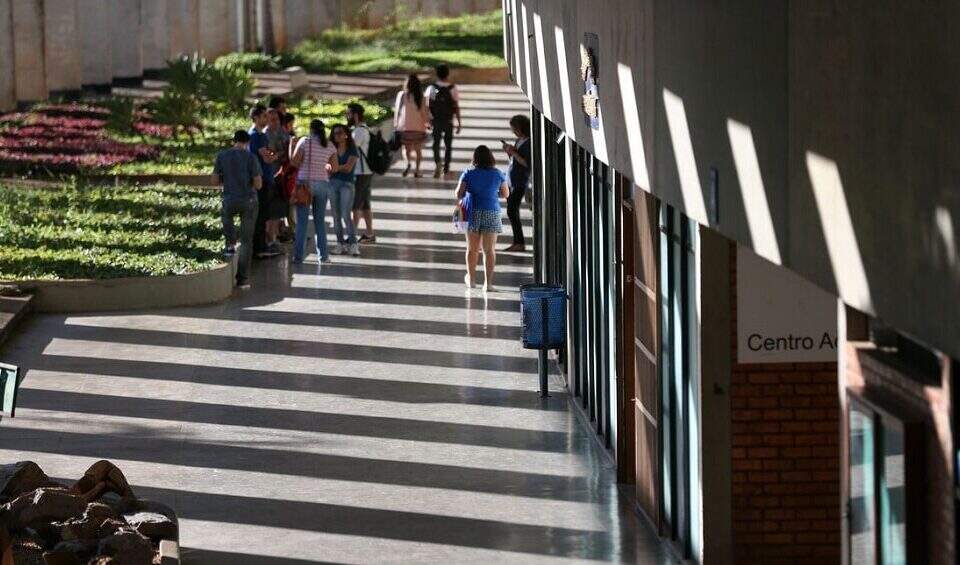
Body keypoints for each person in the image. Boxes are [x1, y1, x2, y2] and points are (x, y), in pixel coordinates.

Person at [213, 130, 262, 288]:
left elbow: (214, 180)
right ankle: (242, 279)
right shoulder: (251, 157)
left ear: (233, 141)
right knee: (247, 241)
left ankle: (230, 243)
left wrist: (227, 180)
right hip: (248, 200)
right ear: (247, 142)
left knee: (227, 217)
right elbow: (258, 184)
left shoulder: (222, 156)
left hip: (229, 198)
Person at [456, 145, 509, 291]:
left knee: (472, 249)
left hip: (472, 213)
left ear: (475, 159)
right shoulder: (498, 173)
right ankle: (488, 284)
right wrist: (492, 194)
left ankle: (472, 280)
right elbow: (505, 194)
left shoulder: (468, 173)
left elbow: (458, 193)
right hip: (491, 212)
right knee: (489, 250)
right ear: (491, 158)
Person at [290, 119, 338, 264]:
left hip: (305, 185)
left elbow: (294, 162)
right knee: (320, 222)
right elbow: (335, 168)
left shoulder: (305, 142)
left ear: (311, 129)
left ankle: (298, 257)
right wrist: (325, 166)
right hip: (323, 185)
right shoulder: (329, 145)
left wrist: (291, 147)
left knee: (302, 223)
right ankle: (323, 256)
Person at [248, 104, 280, 258]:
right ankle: (259, 248)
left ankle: (262, 245)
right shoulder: (255, 136)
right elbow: (268, 157)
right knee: (260, 215)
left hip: (266, 178)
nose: (267, 119)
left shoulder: (263, 135)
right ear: (255, 118)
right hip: (260, 180)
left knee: (264, 214)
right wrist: (273, 156)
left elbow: (270, 153)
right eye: (264, 116)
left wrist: (272, 155)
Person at [328, 124, 361, 257]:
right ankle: (340, 243)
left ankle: (353, 244)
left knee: (346, 215)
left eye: (340, 133)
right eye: (335, 133)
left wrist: (335, 168)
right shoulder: (331, 149)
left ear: (346, 134)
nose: (338, 136)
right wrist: (335, 168)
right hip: (332, 184)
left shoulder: (352, 150)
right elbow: (328, 166)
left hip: (347, 184)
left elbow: (348, 168)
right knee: (335, 216)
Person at [425, 64, 462, 179]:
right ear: (447, 74)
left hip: (436, 120)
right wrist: (459, 122)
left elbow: (427, 106)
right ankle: (446, 167)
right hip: (448, 121)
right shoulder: (453, 88)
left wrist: (428, 120)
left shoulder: (431, 88)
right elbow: (456, 106)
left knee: (435, 143)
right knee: (448, 145)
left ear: (437, 74)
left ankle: (437, 164)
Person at [502, 114, 531, 252]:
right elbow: (515, 159)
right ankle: (517, 242)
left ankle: (519, 242)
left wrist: (513, 152)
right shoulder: (520, 140)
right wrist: (510, 152)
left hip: (521, 181)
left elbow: (526, 162)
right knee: (512, 210)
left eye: (514, 128)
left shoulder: (528, 143)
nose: (513, 131)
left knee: (512, 210)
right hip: (512, 180)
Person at [347, 103, 376, 243]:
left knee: (356, 204)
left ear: (355, 115)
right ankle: (370, 234)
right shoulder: (361, 129)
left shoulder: (359, 131)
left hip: (361, 172)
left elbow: (350, 147)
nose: (347, 116)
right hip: (365, 171)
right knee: (365, 204)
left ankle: (352, 236)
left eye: (349, 114)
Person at [393, 74, 431, 178]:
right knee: (418, 151)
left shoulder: (402, 95)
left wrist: (396, 124)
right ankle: (417, 171)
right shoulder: (421, 96)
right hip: (419, 127)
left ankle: (408, 163)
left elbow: (397, 111)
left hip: (405, 127)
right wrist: (427, 123)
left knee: (406, 149)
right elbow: (424, 112)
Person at [264, 108, 291, 245]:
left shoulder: (284, 133)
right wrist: (278, 155)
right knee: (269, 211)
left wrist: (279, 155)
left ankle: (274, 238)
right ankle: (268, 239)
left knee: (277, 211)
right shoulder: (264, 135)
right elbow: (268, 156)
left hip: (282, 177)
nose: (275, 122)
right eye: (272, 119)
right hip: (269, 177)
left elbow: (288, 151)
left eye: (277, 119)